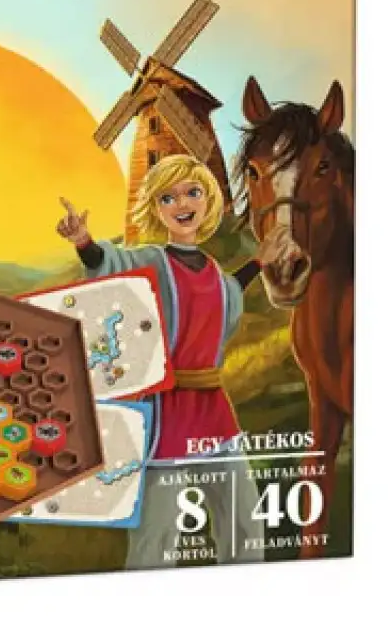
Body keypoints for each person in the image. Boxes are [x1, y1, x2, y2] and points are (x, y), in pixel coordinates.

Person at [56, 153, 263, 568]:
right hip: (168, 413)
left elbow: (226, 292)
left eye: (192, 192)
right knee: (158, 534)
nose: (182, 204)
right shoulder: (151, 260)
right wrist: (84, 242)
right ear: (155, 208)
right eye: (168, 197)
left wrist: (259, 264)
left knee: (246, 523)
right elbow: (111, 263)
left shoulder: (214, 270)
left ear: (209, 200)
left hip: (214, 413)